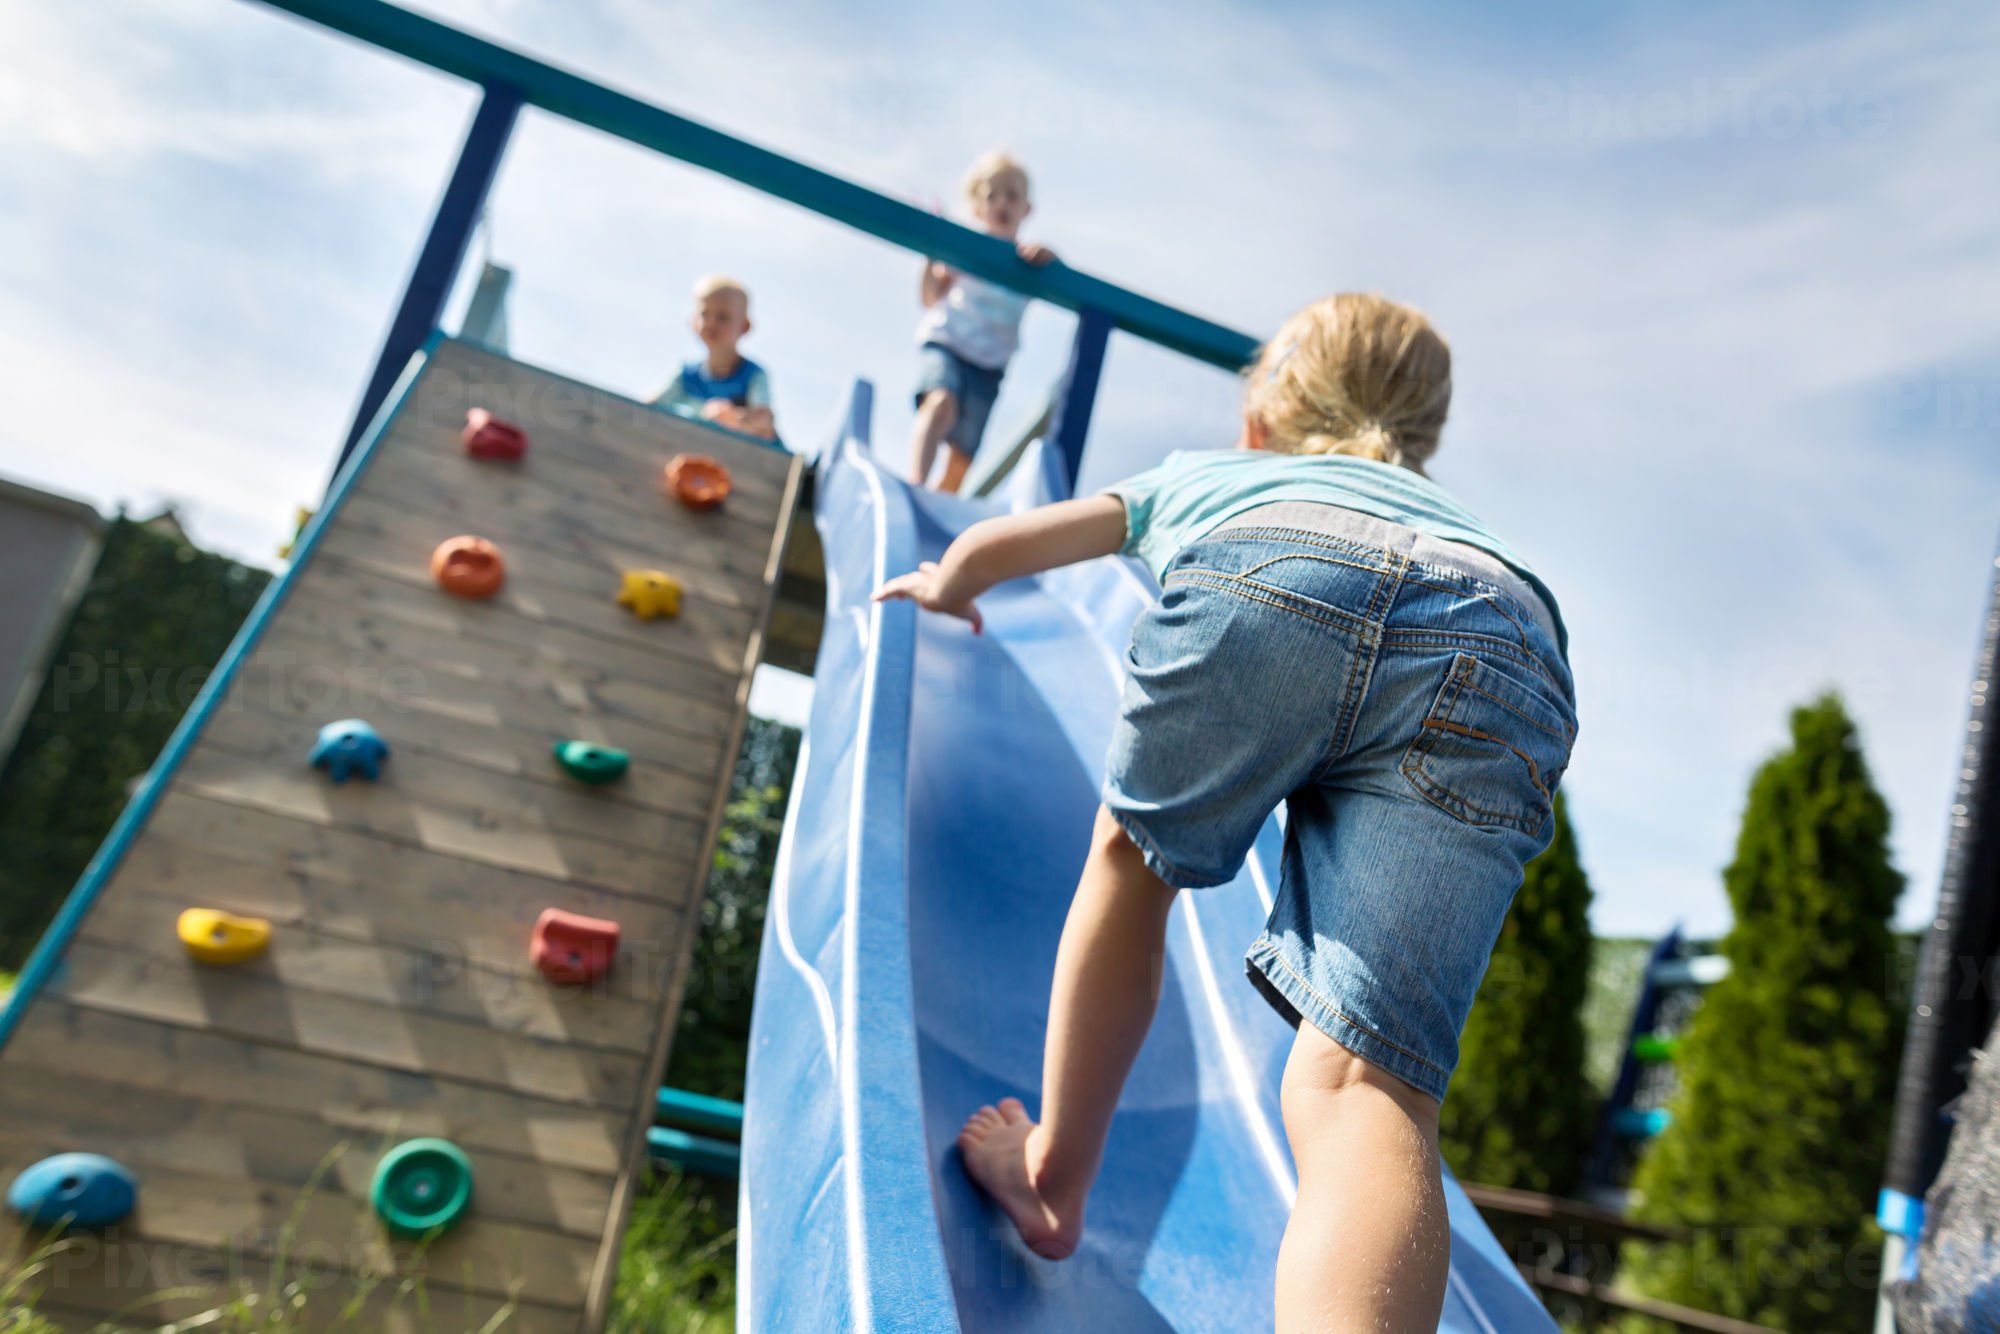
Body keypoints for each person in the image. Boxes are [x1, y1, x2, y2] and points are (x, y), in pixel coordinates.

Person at [875, 292, 1577, 1331]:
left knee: (1130, 864)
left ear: (1266, 413)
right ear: (1420, 433)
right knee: (1367, 1082)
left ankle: (1053, 1175)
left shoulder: (1217, 472)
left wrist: (952, 580)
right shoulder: (1455, 518)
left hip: (1274, 567)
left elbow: (1003, 541)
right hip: (1505, 635)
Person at [909, 150, 1056, 492]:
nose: (1002, 203)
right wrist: (931, 254)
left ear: (1026, 209)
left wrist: (1050, 257)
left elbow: (1056, 276)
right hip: (948, 343)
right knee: (939, 403)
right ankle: (916, 483)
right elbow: (931, 298)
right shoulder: (966, 248)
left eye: (1012, 196)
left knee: (963, 454)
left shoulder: (1028, 263)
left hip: (988, 366)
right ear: (977, 208)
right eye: (992, 196)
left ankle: (939, 502)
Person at [651, 274, 776, 439]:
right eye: (704, 314)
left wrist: (734, 418)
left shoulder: (753, 374)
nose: (711, 323)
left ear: (744, 327)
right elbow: (647, 410)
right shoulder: (685, 375)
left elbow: (765, 427)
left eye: (723, 317)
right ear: (693, 321)